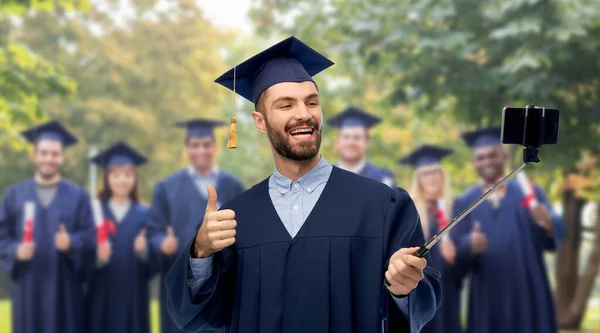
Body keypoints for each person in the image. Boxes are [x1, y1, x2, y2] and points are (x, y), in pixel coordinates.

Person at [164, 36, 441, 333]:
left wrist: (405, 287)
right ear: (260, 121)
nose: (304, 114)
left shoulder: (383, 206)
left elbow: (422, 305)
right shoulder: (236, 219)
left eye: (312, 102)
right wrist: (201, 252)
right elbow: (201, 316)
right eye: (286, 105)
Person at [451, 127, 567, 333]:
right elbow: (457, 255)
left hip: (527, 288)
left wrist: (548, 222)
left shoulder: (528, 192)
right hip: (487, 293)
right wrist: (470, 244)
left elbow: (556, 229)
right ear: (474, 162)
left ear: (503, 156)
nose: (487, 161)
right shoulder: (465, 202)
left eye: (492, 155)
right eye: (481, 157)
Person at [148, 119, 245, 333]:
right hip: (181, 286)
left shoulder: (233, 185)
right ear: (186, 149)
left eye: (206, 144)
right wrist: (161, 243)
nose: (201, 150)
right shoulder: (166, 188)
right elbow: (152, 232)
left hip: (222, 288)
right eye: (194, 145)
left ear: (215, 147)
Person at [0, 120, 96, 333]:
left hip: (65, 293)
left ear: (62, 156)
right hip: (28, 291)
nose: (49, 159)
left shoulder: (78, 197)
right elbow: (2, 237)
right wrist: (16, 250)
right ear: (33, 155)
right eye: (43, 153)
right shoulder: (15, 196)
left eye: (54, 154)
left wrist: (71, 242)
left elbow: (90, 237)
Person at [84, 141, 160, 333]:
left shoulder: (145, 214)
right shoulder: (94, 213)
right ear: (107, 178)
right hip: (101, 296)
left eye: (128, 175)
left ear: (135, 179)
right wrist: (97, 257)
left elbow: (154, 265)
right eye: (116, 175)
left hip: (133, 297)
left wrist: (144, 251)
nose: (122, 180)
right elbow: (81, 257)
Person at [400, 145, 463, 333]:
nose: (432, 178)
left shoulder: (456, 206)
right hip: (419, 285)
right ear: (418, 179)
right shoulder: (409, 209)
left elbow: (466, 255)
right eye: (426, 174)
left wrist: (456, 256)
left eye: (436, 172)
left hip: (449, 286)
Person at [328, 106, 396, 187]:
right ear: (338, 141)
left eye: (357, 138)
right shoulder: (325, 178)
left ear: (366, 142)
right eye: (346, 137)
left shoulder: (382, 180)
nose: (350, 142)